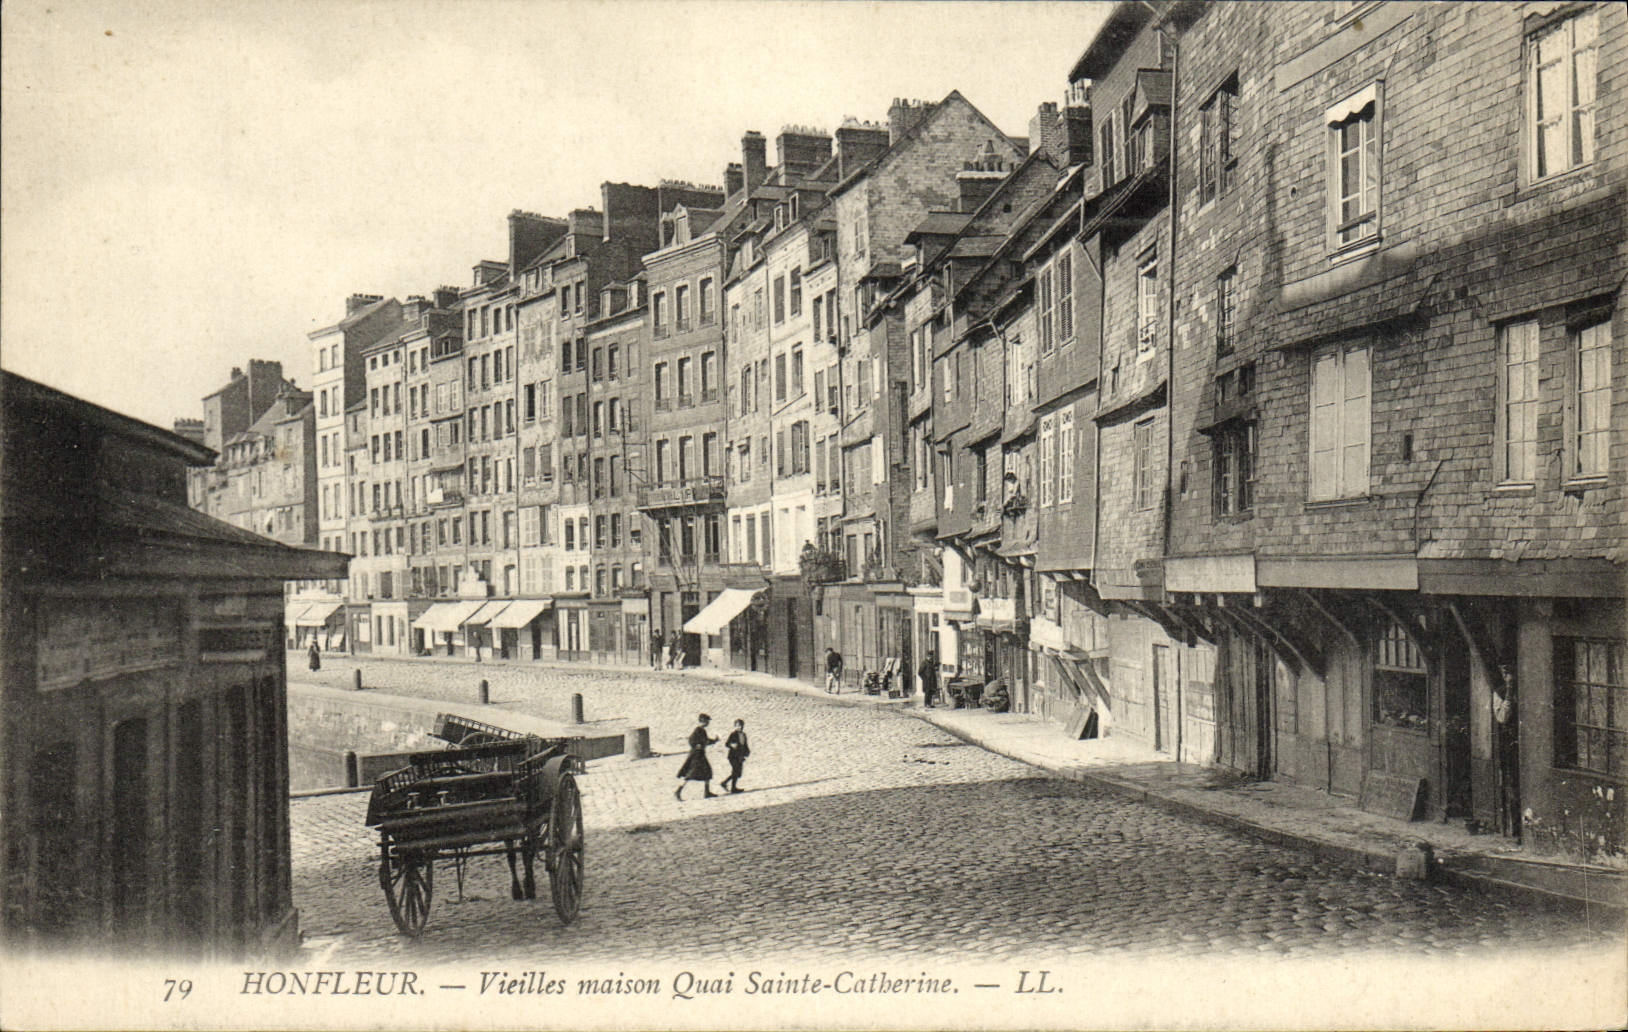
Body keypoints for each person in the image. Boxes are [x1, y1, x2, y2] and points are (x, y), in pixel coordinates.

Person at [675, 714, 718, 800]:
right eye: (707, 721)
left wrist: (714, 741)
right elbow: (692, 740)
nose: (708, 723)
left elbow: (705, 741)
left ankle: (707, 792)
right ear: (703, 721)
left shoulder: (701, 730)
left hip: (700, 754)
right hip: (696, 755)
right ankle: (678, 791)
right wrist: (696, 745)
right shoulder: (698, 730)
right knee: (690, 774)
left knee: (707, 771)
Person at [720, 719, 750, 794]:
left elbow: (745, 745)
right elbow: (727, 744)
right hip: (733, 756)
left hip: (740, 756)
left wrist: (747, 752)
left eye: (741, 725)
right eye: (738, 725)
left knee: (738, 772)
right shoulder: (733, 734)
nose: (740, 727)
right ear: (735, 726)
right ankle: (732, 787)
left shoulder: (744, 735)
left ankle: (727, 784)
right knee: (735, 770)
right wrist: (731, 745)